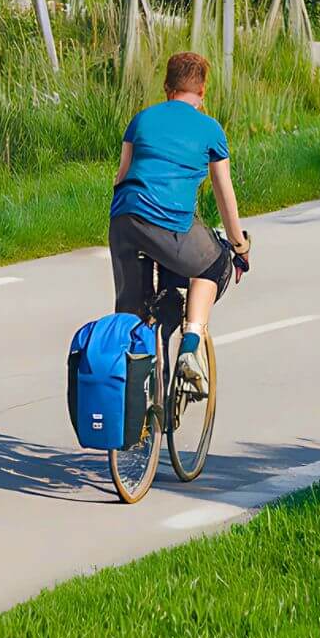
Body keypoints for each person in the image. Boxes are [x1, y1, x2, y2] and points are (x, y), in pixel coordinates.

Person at [109, 52, 251, 395]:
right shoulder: (210, 129)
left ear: (167, 87)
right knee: (215, 262)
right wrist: (239, 245)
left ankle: (135, 408)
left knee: (132, 317)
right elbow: (223, 192)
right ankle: (189, 346)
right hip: (170, 225)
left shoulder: (140, 120)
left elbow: (121, 177)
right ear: (202, 91)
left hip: (124, 222)